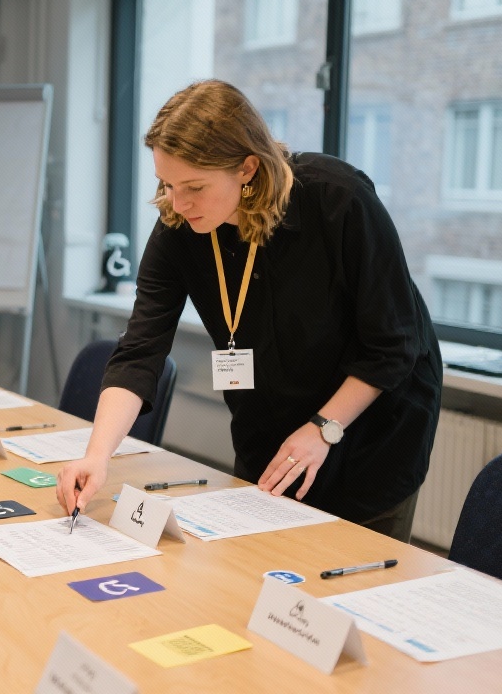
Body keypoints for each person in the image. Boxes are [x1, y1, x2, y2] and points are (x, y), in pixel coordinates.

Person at [56, 80, 442, 541]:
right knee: (261, 567)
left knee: (352, 567)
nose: (178, 204)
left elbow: (394, 343)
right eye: (168, 185)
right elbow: (140, 351)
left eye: (194, 187)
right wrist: (98, 456)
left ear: (247, 167)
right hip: (270, 434)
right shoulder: (179, 227)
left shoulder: (338, 200)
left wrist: (323, 427)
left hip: (371, 435)